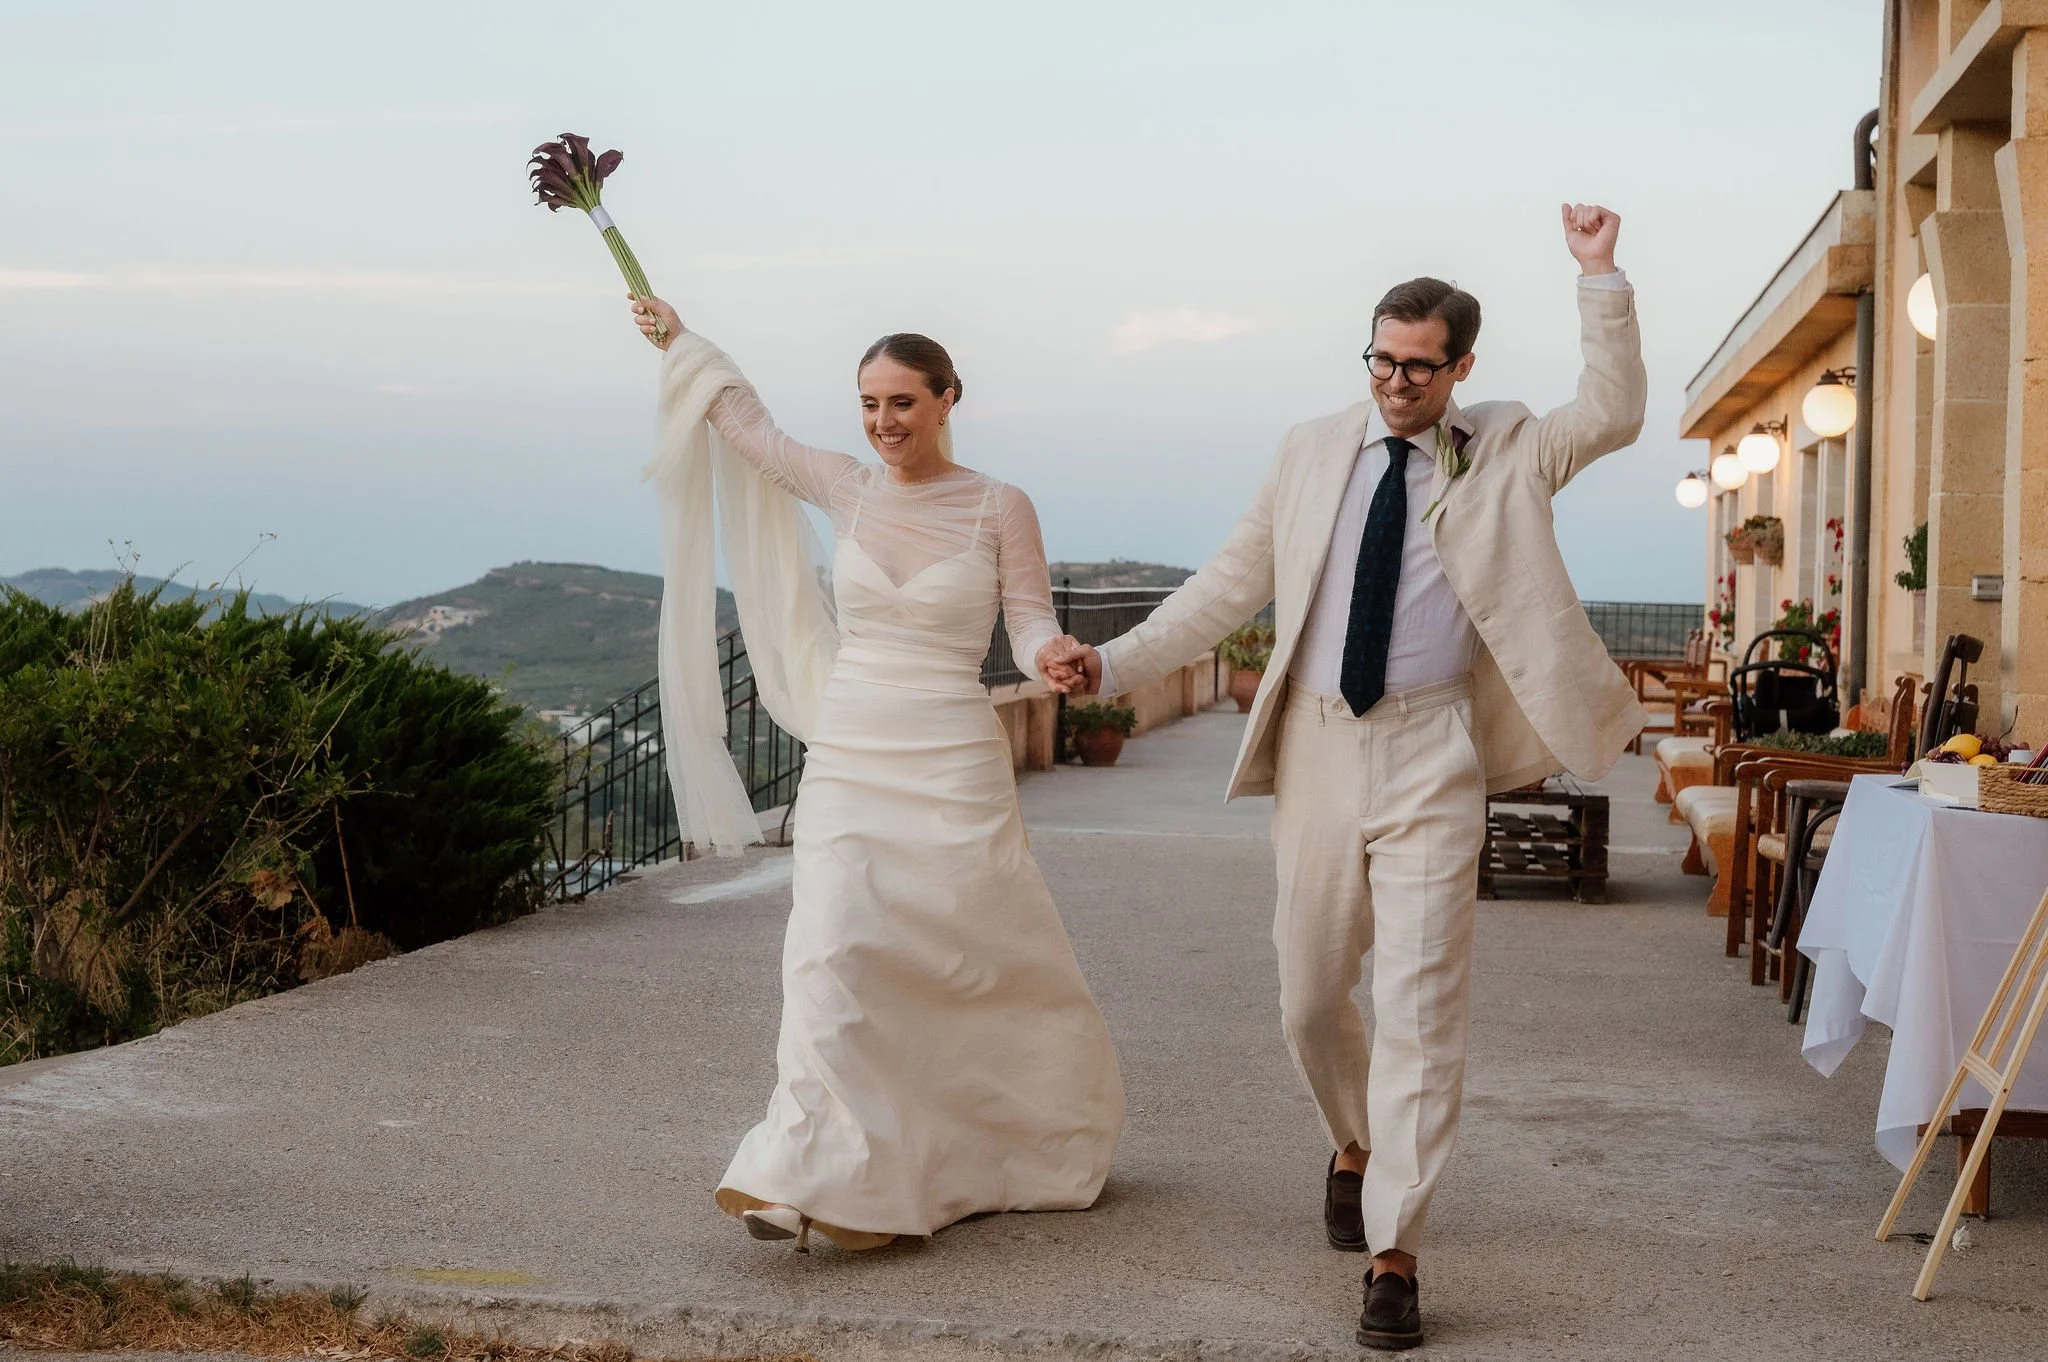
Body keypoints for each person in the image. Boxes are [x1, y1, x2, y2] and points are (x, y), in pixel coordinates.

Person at [1039, 205, 1648, 1349]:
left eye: (1418, 367)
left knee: (1420, 1004)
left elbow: (1612, 411)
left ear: (1460, 368)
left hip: (1432, 749)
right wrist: (1110, 663)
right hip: (1320, 748)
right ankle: (1353, 1142)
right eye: (1379, 360)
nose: (1394, 384)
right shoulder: (1310, 449)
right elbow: (1226, 587)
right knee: (1309, 997)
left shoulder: (1507, 444)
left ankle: (1394, 1251)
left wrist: (1598, 276)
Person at [630, 292, 1124, 1253]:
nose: (883, 422)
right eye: (868, 404)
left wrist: (1051, 653)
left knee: (961, 960)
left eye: (902, 402)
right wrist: (679, 340)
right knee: (829, 950)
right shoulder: (847, 485)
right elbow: (749, 430)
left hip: (951, 759)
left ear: (947, 400)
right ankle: (804, 1168)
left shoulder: (998, 504)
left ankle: (959, 1151)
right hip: (852, 752)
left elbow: (1026, 619)